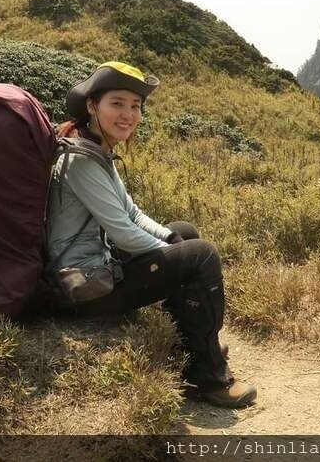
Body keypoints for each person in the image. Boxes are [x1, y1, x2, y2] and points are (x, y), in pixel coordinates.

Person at [46, 61, 257, 408]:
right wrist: (177, 256)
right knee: (201, 255)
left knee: (185, 234)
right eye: (117, 103)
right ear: (91, 106)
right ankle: (209, 379)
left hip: (100, 268)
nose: (128, 114)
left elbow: (131, 214)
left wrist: (173, 243)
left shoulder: (96, 150)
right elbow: (126, 234)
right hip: (84, 288)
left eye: (135, 106)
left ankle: (190, 343)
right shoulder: (82, 161)